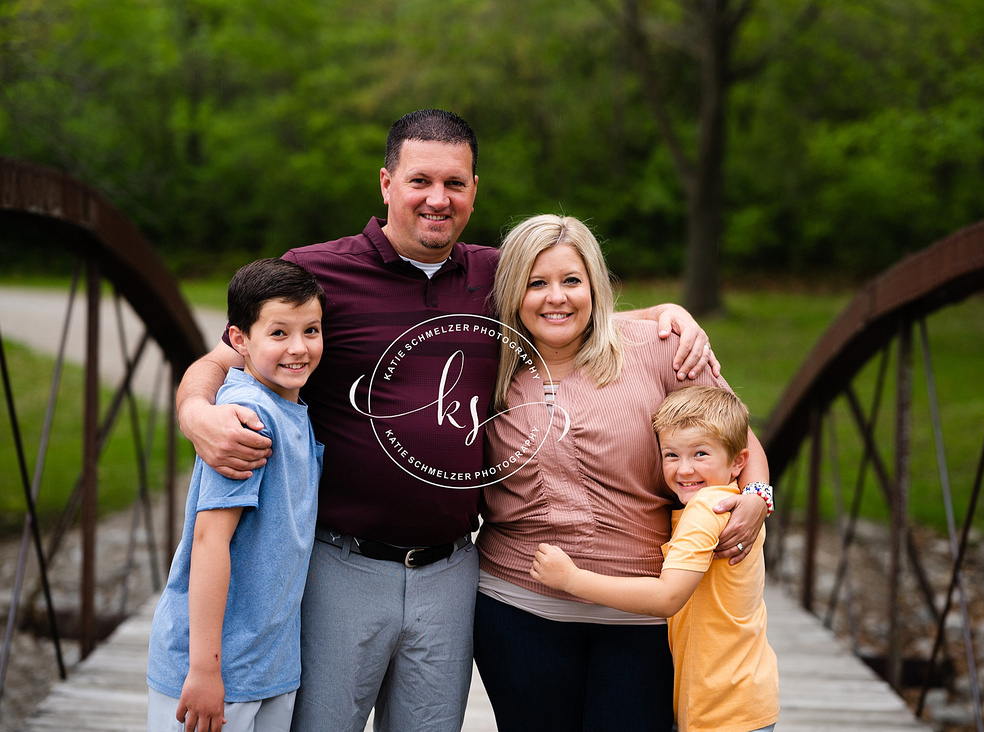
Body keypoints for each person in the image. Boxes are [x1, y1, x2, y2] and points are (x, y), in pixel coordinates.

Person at [173, 109, 719, 732]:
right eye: (420, 181)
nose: (438, 199)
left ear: (474, 191)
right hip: (341, 564)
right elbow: (223, 357)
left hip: (454, 571)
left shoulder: (496, 276)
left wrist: (669, 313)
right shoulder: (317, 274)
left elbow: (571, 306)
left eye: (455, 184)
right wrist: (195, 413)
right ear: (386, 183)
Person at [473, 215, 773, 731]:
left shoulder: (658, 349)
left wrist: (758, 496)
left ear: (595, 284)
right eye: (536, 283)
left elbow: (740, 443)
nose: (556, 298)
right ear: (513, 292)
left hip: (642, 617)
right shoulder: (488, 363)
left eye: (572, 281)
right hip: (516, 609)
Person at [531, 385, 780, 732]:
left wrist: (571, 578)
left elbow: (668, 597)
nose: (684, 469)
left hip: (723, 709)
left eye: (701, 454)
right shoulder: (733, 502)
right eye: (671, 455)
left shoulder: (707, 510)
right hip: (739, 695)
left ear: (739, 461)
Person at [147, 258, 325, 732]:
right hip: (210, 671)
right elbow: (210, 541)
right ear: (239, 340)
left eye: (311, 330)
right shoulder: (247, 417)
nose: (299, 348)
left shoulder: (291, 408)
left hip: (269, 666)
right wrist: (205, 670)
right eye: (279, 333)